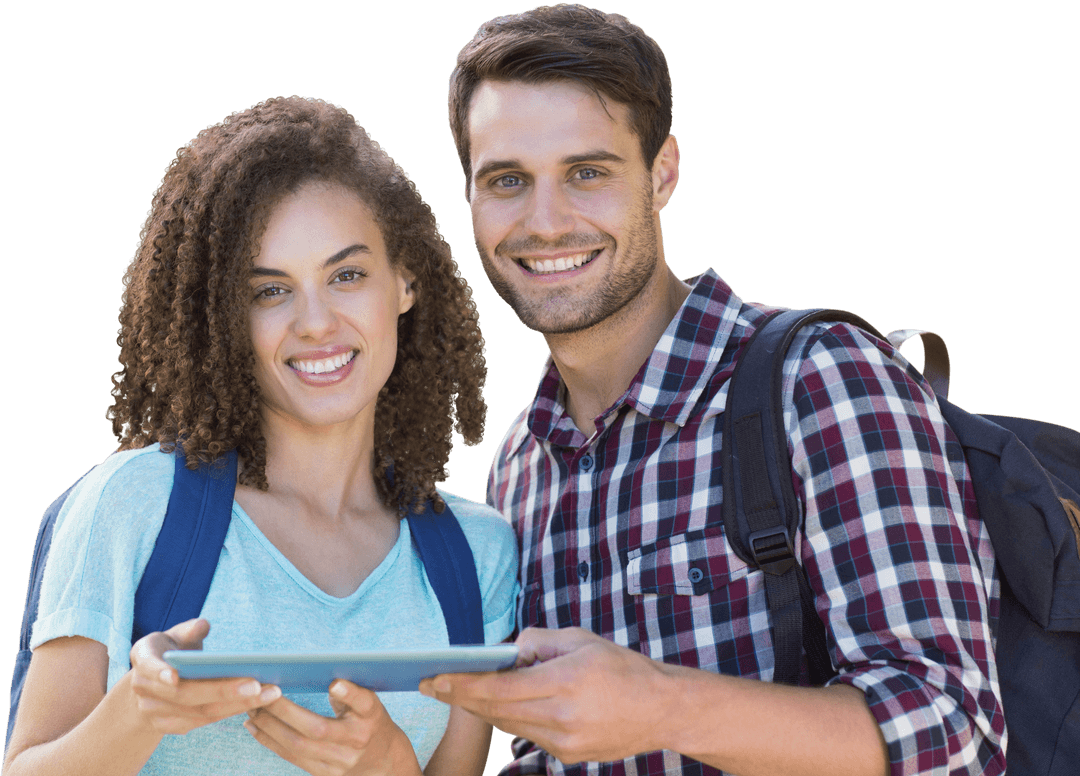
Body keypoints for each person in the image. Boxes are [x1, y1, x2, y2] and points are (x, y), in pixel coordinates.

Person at [419, 6, 1005, 776]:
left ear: (662, 174)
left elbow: (954, 729)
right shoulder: (520, 470)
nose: (546, 220)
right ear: (468, 196)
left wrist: (660, 705)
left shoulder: (820, 380)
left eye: (587, 172)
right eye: (507, 181)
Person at [3, 96, 517, 776]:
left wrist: (388, 764)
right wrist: (139, 710)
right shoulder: (130, 506)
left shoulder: (476, 556)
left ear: (405, 283)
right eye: (269, 291)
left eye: (347, 275)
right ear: (223, 317)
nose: (314, 323)